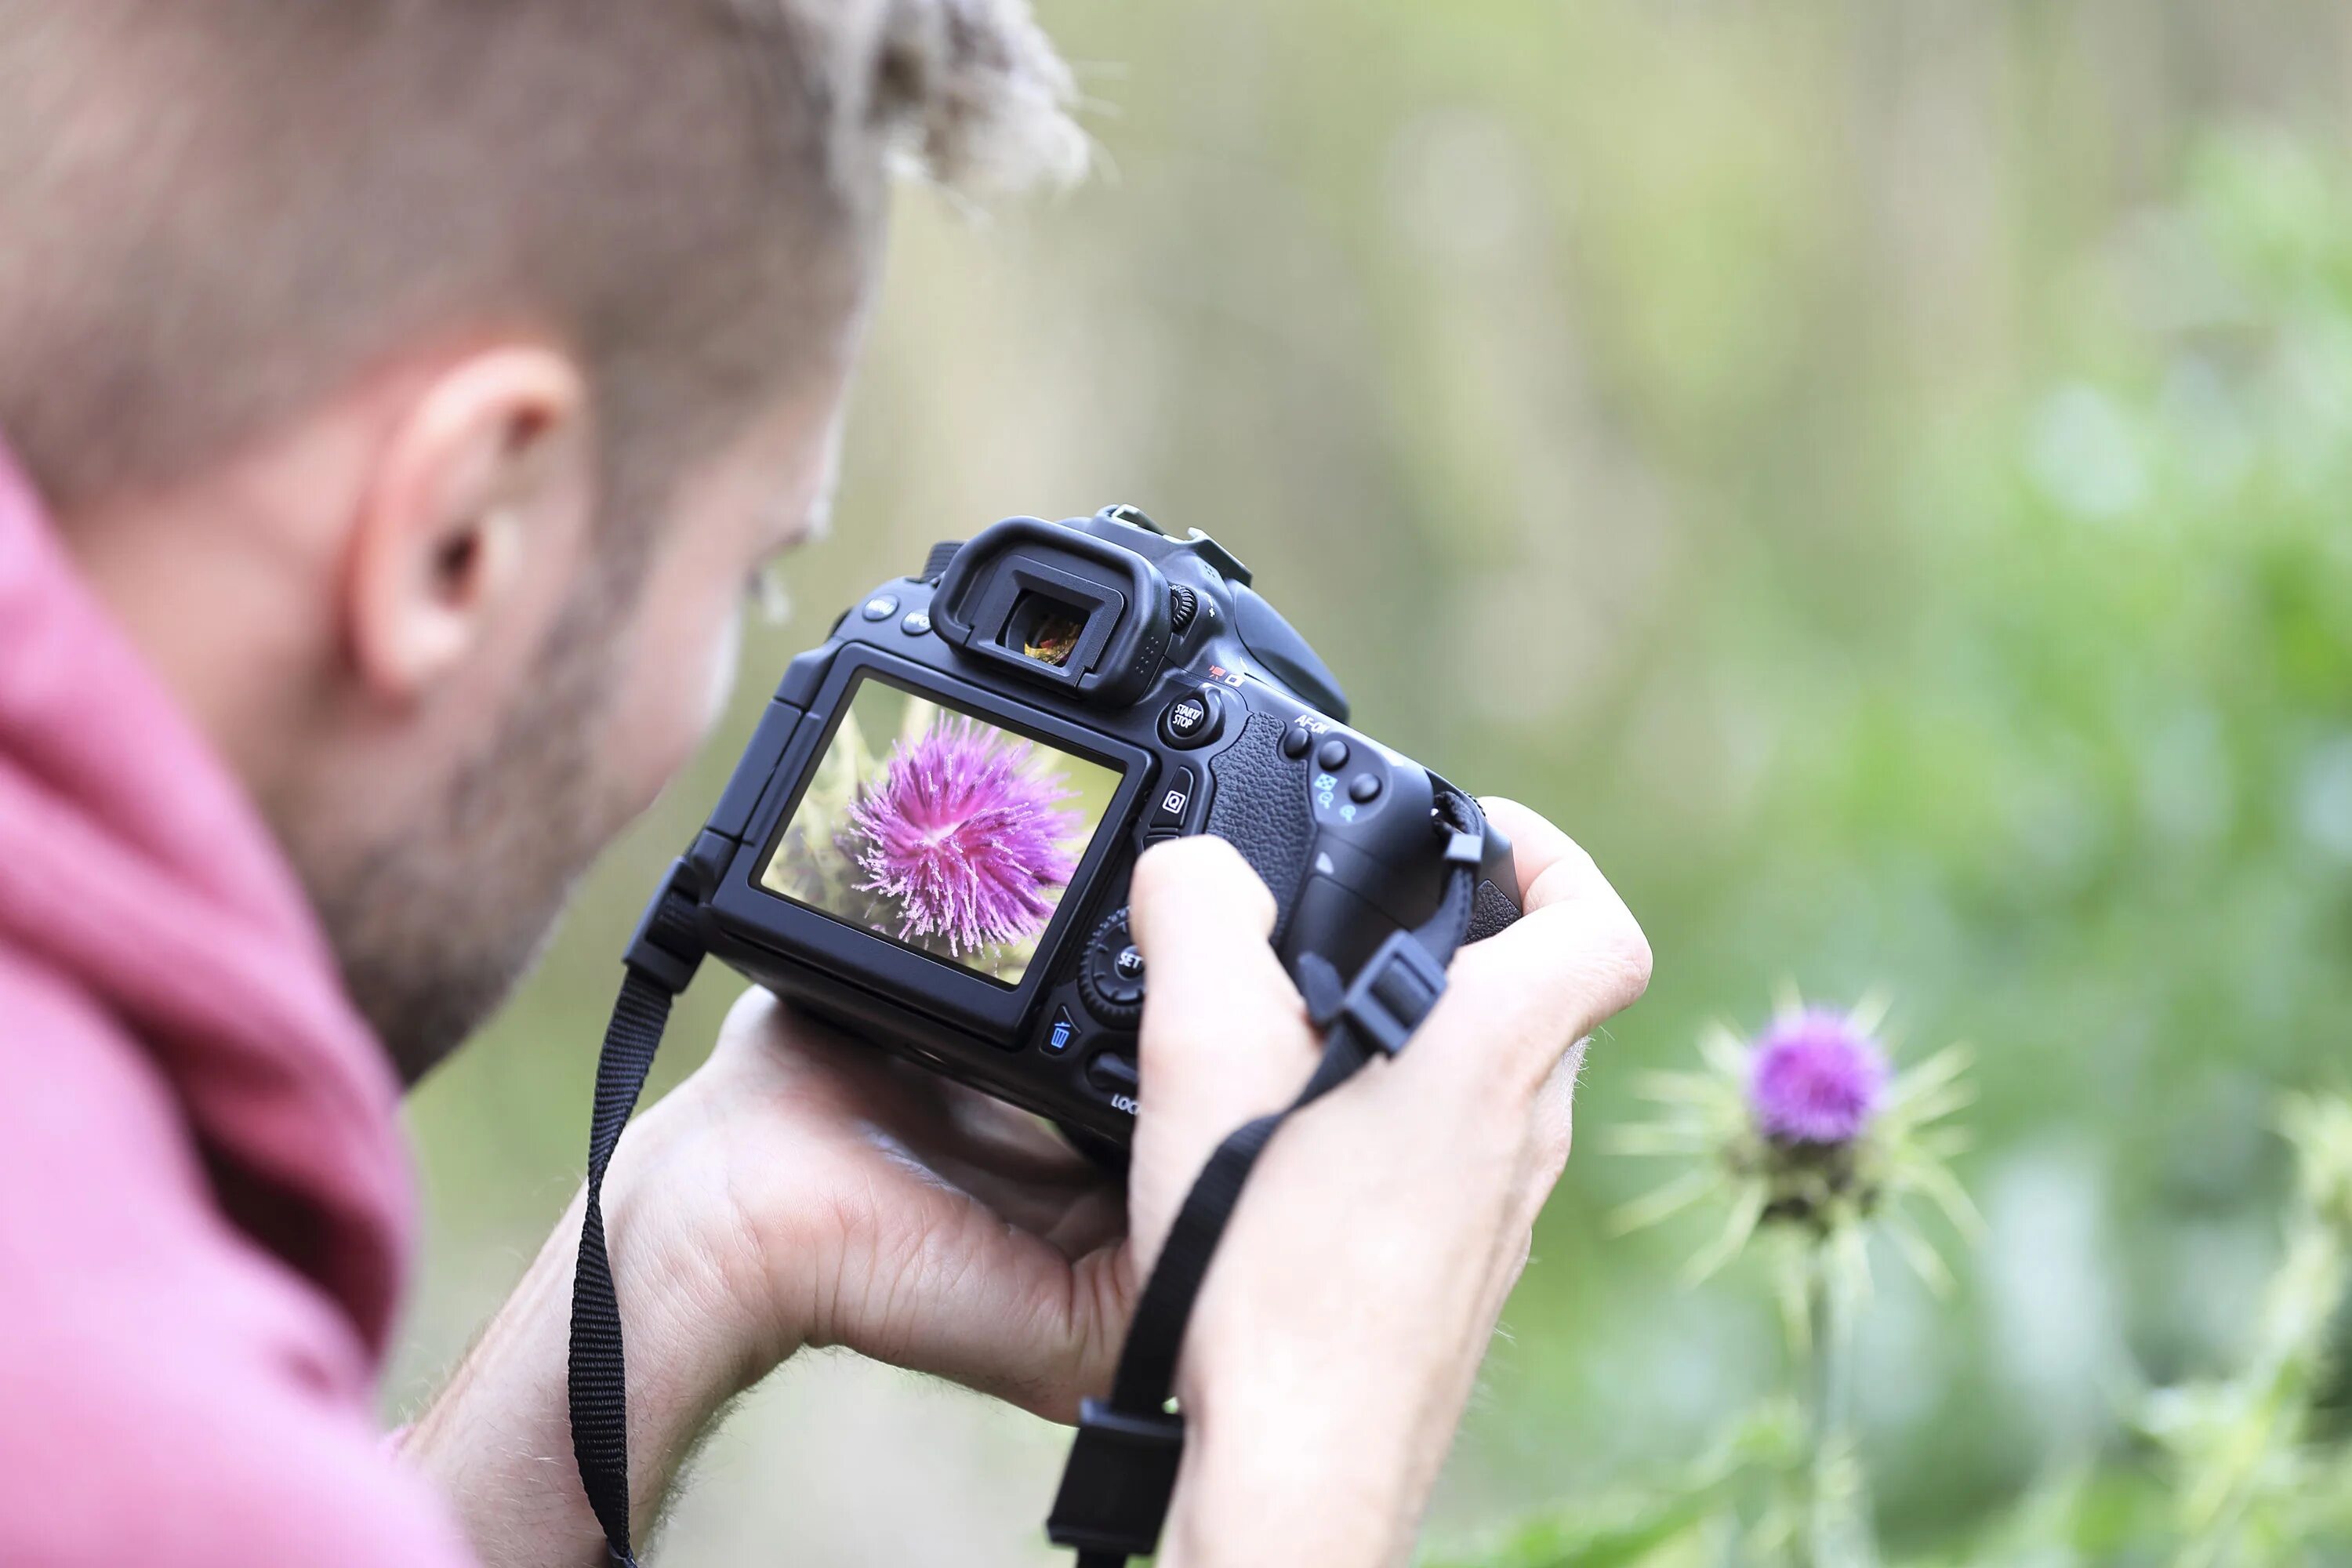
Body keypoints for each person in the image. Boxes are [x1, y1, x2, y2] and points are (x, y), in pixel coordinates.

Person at [0, 4, 1652, 1566]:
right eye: (752, 579)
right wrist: (1298, 1461)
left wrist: (682, 1235)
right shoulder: (119, 1414)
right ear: (457, 539)